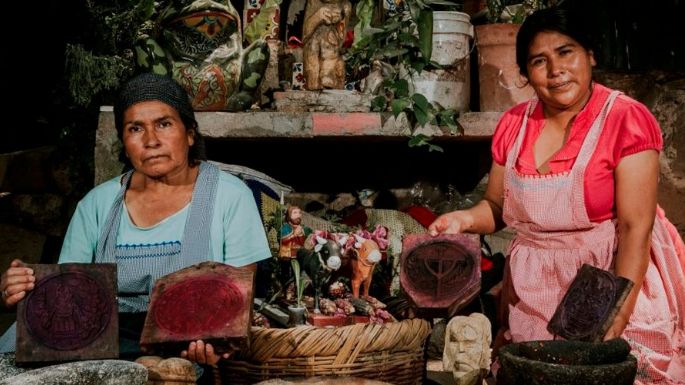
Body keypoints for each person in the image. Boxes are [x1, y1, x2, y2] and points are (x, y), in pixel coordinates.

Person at [429, 8, 684, 384]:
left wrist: (614, 320)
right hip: (535, 291)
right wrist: (464, 219)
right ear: (525, 74)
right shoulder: (514, 125)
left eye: (566, 52)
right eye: (539, 61)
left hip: (609, 280)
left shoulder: (625, 119)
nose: (556, 69)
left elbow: (636, 227)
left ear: (590, 55)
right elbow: (498, 207)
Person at [0, 73, 272, 369]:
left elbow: (236, 304)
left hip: (185, 347)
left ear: (190, 133)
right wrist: (24, 288)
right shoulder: (97, 204)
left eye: (164, 124)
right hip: (99, 349)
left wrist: (217, 344)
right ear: (123, 142)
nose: (151, 141)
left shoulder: (231, 196)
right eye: (135, 129)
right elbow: (69, 296)